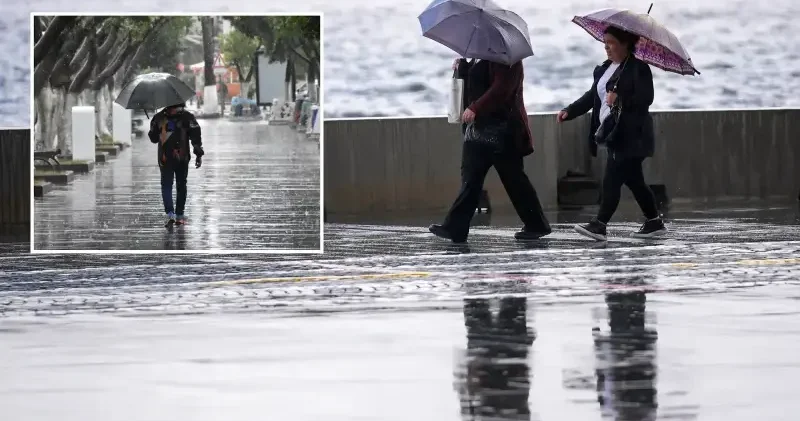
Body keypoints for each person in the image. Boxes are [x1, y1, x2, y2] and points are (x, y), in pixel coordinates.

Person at [558, 26, 666, 241]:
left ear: (625, 43)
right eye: (605, 42)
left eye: (611, 42)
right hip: (613, 133)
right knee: (635, 180)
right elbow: (592, 97)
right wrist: (569, 110)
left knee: (612, 179)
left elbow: (645, 100)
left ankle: (600, 224)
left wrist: (620, 100)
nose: (606, 47)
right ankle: (654, 222)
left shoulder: (638, 69)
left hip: (632, 135)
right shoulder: (604, 69)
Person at [429, 58, 551, 243]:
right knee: (471, 179)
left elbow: (501, 89)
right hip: (478, 131)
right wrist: (462, 68)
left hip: (503, 132)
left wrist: (476, 107)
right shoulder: (477, 58)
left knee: (514, 180)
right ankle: (455, 227)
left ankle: (536, 224)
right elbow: (474, 88)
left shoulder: (507, 59)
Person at [148, 102, 204, 227]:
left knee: (169, 184)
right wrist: (198, 153)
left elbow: (153, 138)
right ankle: (177, 215)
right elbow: (196, 137)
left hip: (167, 158)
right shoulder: (187, 117)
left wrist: (154, 127)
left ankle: (172, 214)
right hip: (180, 157)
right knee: (179, 184)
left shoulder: (159, 118)